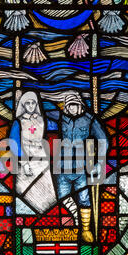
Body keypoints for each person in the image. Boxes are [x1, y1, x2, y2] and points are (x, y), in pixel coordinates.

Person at [53, 91, 108, 243]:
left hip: (81, 169)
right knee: (62, 199)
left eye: (75, 105)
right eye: (69, 106)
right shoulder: (59, 118)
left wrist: (100, 162)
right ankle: (71, 224)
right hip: (61, 168)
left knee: (84, 200)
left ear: (80, 105)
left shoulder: (90, 121)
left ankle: (85, 230)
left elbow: (103, 140)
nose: (72, 108)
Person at [8, 91, 56, 213]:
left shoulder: (41, 120)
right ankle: (25, 219)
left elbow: (46, 138)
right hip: (26, 162)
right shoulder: (18, 122)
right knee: (26, 193)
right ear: (23, 105)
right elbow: (14, 143)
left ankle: (45, 218)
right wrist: (24, 164)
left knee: (46, 192)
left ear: (36, 104)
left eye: (33, 103)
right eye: (27, 103)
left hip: (42, 162)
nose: (30, 106)